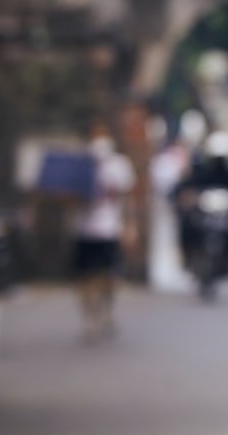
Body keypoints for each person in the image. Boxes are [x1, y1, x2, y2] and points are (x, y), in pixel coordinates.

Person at [72, 129, 136, 344]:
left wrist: (129, 225)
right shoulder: (79, 169)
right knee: (85, 278)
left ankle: (107, 311)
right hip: (84, 231)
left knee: (110, 276)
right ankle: (88, 317)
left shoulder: (118, 167)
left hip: (109, 230)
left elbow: (127, 199)